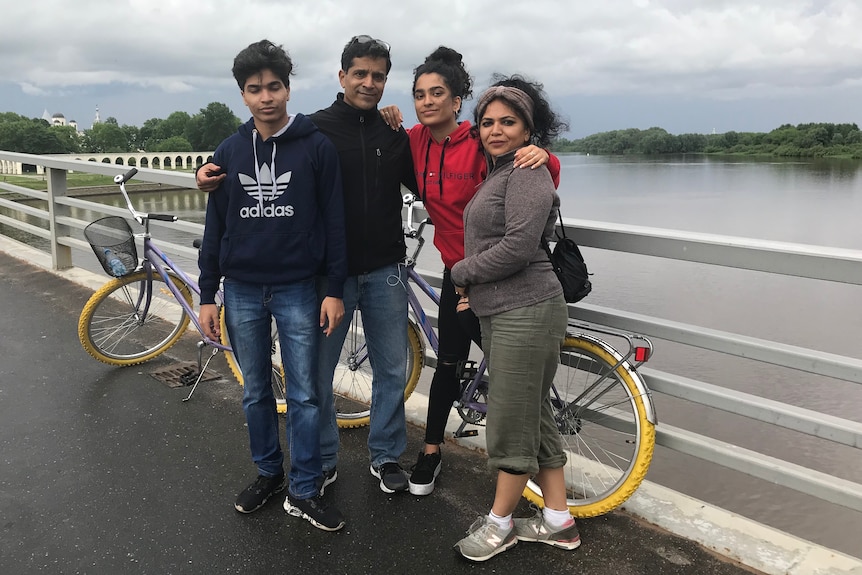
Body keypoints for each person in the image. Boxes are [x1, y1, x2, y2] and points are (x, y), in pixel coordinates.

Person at [198, 35, 418, 494]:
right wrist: (202, 173)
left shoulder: (392, 133)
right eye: (360, 73)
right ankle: (320, 462)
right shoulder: (315, 130)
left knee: (392, 368)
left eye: (378, 76)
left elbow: (431, 176)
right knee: (315, 377)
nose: (369, 82)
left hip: (382, 269)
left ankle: (386, 456)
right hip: (320, 277)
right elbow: (228, 190)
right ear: (342, 77)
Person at [379, 46, 561, 497]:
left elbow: (526, 170)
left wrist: (545, 155)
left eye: (438, 92)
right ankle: (432, 450)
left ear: (458, 100)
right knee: (449, 361)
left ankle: (532, 447)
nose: (427, 101)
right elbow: (379, 159)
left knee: (510, 368)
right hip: (454, 270)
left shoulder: (479, 139)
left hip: (495, 274)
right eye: (419, 93)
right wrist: (384, 119)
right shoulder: (415, 141)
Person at [196, 39, 347, 531]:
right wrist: (206, 294)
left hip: (299, 287)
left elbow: (335, 222)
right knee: (256, 390)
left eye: (274, 86)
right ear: (243, 95)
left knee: (304, 394)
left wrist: (334, 289)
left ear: (288, 88)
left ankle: (304, 488)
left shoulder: (315, 146)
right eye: (255, 89)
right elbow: (214, 227)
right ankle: (268, 473)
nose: (266, 97)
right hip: (240, 289)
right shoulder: (230, 150)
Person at [449, 76, 579, 561]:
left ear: (528, 129)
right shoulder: (499, 171)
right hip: (504, 310)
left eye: (508, 122)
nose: (496, 130)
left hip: (526, 309)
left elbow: (519, 248)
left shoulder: (527, 171)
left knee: (508, 420)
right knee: (534, 414)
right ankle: (559, 521)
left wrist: (461, 272)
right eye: (488, 122)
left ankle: (500, 522)